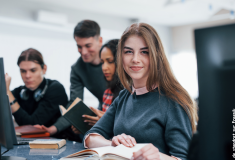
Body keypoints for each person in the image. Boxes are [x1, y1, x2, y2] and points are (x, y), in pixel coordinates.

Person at [84, 23, 198, 160]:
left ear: (156, 56)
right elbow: (90, 138)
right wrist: (115, 145)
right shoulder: (124, 96)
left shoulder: (173, 101)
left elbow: (183, 158)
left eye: (144, 52)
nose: (135, 59)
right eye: (128, 52)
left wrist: (157, 157)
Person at [49, 20, 108, 136]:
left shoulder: (118, 60)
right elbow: (74, 105)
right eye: (79, 46)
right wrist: (53, 129)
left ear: (100, 41)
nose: (83, 52)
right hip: (103, 111)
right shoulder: (77, 69)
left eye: (88, 46)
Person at [5, 48, 76, 140]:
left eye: (33, 70)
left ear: (44, 69)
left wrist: (7, 92)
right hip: (32, 143)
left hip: (62, 142)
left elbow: (32, 126)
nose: (27, 76)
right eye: (23, 71)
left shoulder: (55, 89)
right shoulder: (19, 92)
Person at [79, 39, 124, 127]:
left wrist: (107, 121)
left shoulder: (131, 93)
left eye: (110, 61)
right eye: (102, 62)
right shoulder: (107, 93)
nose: (104, 67)